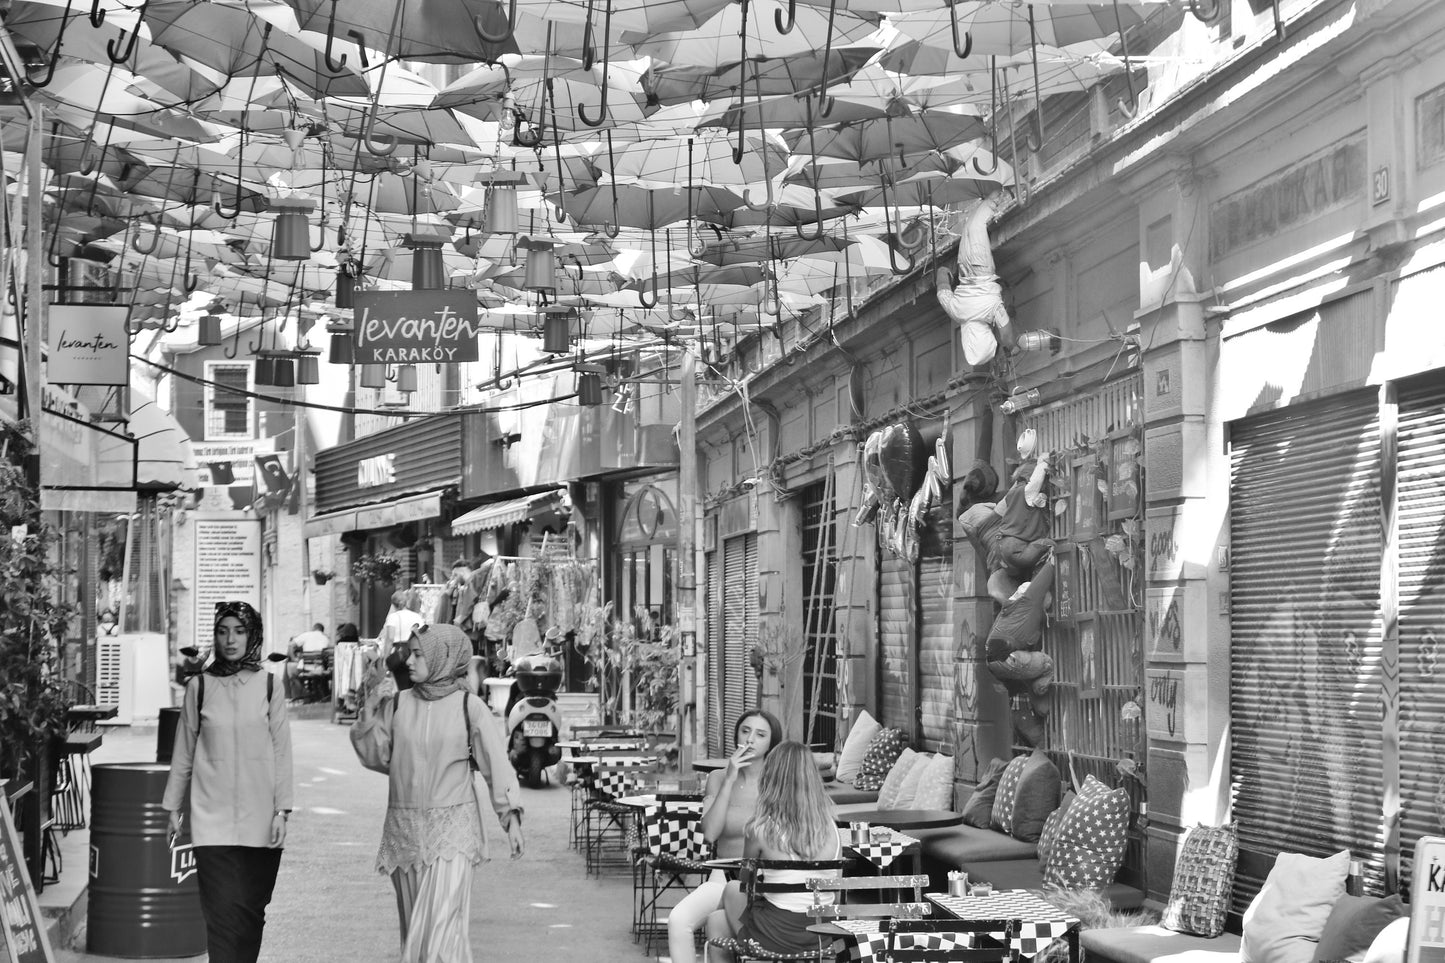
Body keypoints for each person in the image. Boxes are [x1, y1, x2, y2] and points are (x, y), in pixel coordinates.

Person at [350, 623, 525, 963]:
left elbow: (496, 765)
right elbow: (376, 756)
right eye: (410, 655)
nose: (410, 662)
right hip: (405, 834)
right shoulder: (397, 704)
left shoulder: (468, 706)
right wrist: (370, 707)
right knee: (415, 937)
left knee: (442, 939)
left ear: (442, 656)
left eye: (418, 655)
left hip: (453, 834)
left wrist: (511, 817)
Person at [163, 601, 293, 963]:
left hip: (261, 819)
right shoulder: (199, 687)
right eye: (223, 631)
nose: (230, 639)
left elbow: (282, 751)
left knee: (251, 915)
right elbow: (184, 751)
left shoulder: (270, 685)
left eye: (238, 631)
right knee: (221, 917)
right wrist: (173, 805)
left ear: (251, 635)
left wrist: (283, 810)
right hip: (212, 820)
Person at [706, 742, 842, 962]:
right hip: (821, 936)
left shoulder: (760, 828)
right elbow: (834, 894)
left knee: (728, 896)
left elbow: (746, 884)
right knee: (716, 919)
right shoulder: (833, 829)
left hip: (776, 937)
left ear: (771, 778)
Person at [666, 710, 782, 963]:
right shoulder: (718, 778)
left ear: (771, 743)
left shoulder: (778, 782)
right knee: (678, 920)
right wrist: (730, 778)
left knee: (722, 929)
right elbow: (710, 833)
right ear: (736, 735)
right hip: (723, 876)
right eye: (745, 731)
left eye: (760, 734)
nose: (751, 739)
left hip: (769, 880)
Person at [936, 190, 1017, 366]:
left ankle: (998, 191)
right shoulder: (958, 314)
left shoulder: (991, 310)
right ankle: (999, 190)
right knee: (972, 226)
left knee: (974, 226)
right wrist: (944, 273)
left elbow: (1007, 336)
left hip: (980, 266)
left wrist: (1010, 348)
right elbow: (942, 290)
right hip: (966, 267)